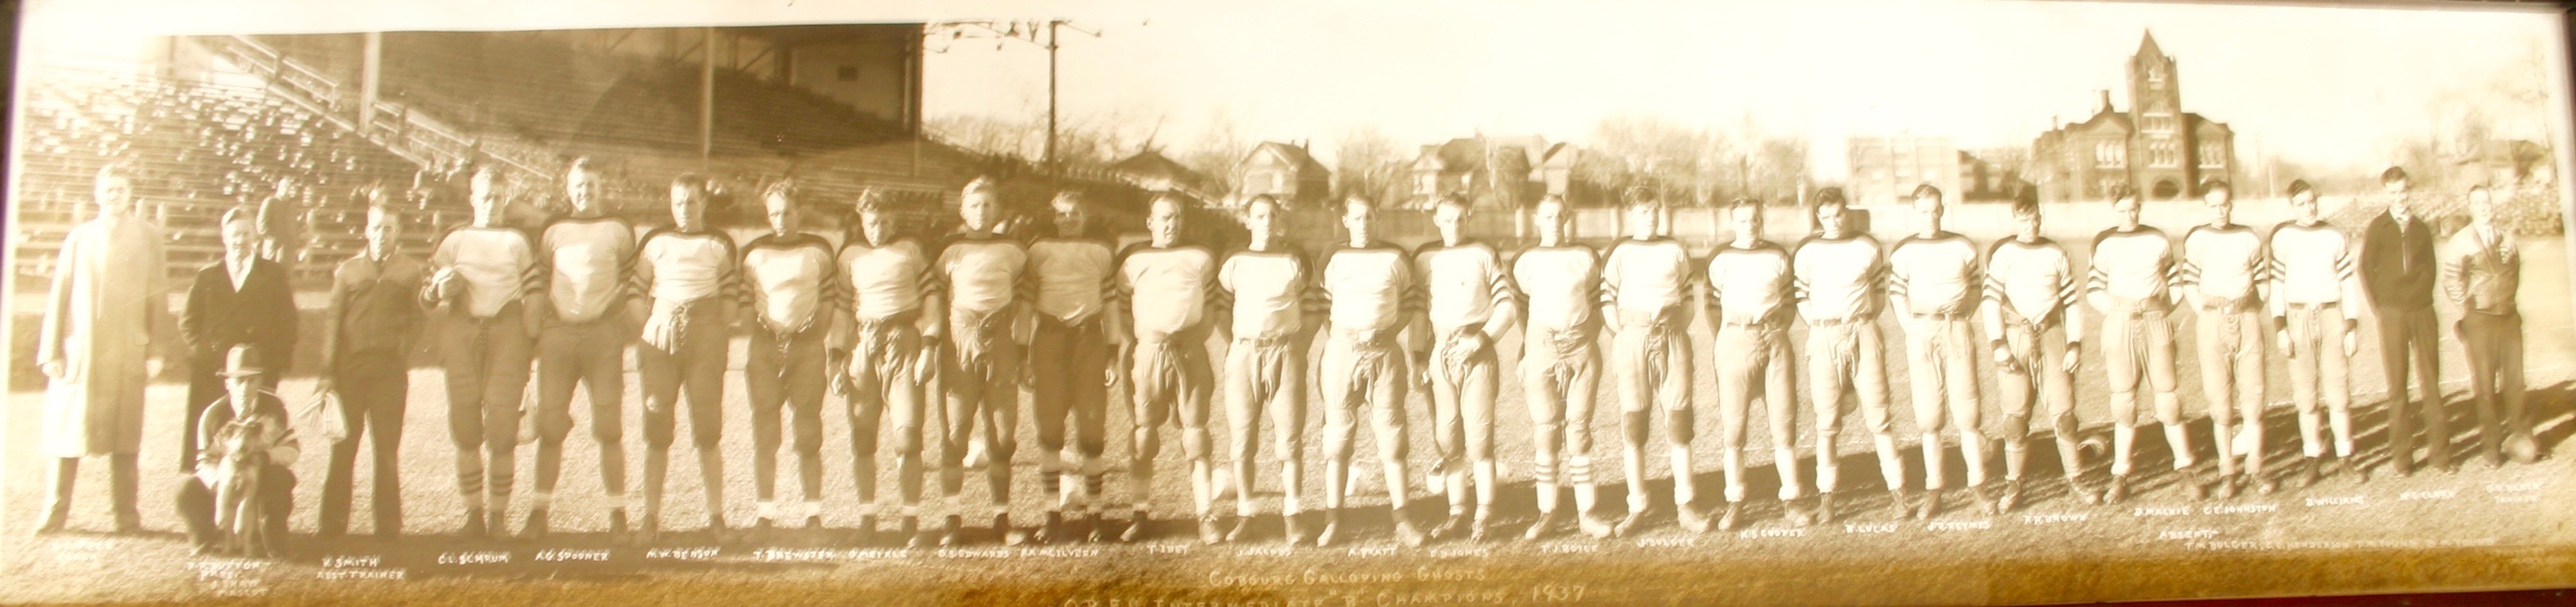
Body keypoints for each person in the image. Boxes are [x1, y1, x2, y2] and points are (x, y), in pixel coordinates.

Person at [35, 163, 170, 535]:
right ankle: (55, 513)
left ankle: (127, 517)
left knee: (126, 437)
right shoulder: (79, 238)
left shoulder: (148, 237)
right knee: (68, 433)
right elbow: (60, 293)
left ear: (131, 194)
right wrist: (51, 351)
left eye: (121, 189)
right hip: (83, 352)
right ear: (97, 194)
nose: (114, 195)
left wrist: (157, 351)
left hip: (128, 351)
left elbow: (159, 297)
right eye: (108, 189)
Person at [423, 166, 544, 538]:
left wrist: (530, 343)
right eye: (485, 197)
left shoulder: (516, 240)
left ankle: (497, 517)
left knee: (503, 430)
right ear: (472, 198)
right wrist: (439, 289)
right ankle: (473, 515)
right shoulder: (455, 239)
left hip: (507, 334)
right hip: (462, 332)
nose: (492, 204)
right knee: (465, 428)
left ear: (506, 200)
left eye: (498, 197)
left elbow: (535, 294)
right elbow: (425, 295)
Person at [528, 157, 639, 539]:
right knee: (551, 427)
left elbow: (633, 281)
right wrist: (543, 327)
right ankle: (538, 514)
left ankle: (618, 516)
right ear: (568, 189)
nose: (585, 192)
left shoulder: (618, 228)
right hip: (560, 336)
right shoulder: (553, 229)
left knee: (609, 429)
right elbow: (539, 282)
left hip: (602, 337)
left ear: (600, 188)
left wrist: (617, 319)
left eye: (591, 185)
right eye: (578, 186)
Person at [1313, 196, 1430, 547]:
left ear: (1378, 218)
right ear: (1346, 221)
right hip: (1343, 353)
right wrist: (1345, 337)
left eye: (1369, 217)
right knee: (1337, 441)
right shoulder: (1333, 256)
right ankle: (1333, 521)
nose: (1363, 224)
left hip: (1384, 353)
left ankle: (1403, 520)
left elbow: (1411, 304)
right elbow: (1322, 304)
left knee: (1393, 440)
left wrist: (1385, 333)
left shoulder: (1395, 256)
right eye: (1357, 218)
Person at [631, 174, 743, 542]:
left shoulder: (718, 243)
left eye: (691, 202)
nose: (684, 209)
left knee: (708, 430)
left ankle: (716, 518)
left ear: (703, 203)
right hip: (660, 335)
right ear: (671, 203)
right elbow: (636, 290)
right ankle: (650, 518)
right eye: (678, 202)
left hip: (704, 334)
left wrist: (713, 330)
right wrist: (649, 327)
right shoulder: (656, 242)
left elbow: (730, 296)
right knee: (657, 427)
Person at [1114, 195, 1230, 544]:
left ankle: (1206, 515)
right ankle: (1139, 514)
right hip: (1149, 351)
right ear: (1150, 221)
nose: (1172, 223)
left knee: (1196, 435)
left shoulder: (1201, 257)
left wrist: (1191, 337)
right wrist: (1145, 340)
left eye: (1177, 217)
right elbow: (1121, 308)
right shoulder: (1132, 259)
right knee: (1143, 435)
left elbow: (1211, 308)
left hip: (1189, 350)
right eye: (1164, 217)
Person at [831, 190, 941, 547]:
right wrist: (835, 359)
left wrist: (929, 347)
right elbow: (842, 310)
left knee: (908, 439)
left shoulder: (910, 249)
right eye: (872, 222)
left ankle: (910, 520)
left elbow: (932, 299)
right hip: (864, 345)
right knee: (862, 438)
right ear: (861, 222)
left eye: (885, 222)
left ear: (894, 220)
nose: (878, 229)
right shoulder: (850, 255)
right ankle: (867, 519)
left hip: (903, 341)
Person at [1600, 188, 1713, 534]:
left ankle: (1686, 504)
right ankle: (1637, 506)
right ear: (1631, 215)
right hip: (1633, 338)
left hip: (1671, 337)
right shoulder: (1620, 251)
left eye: (1654, 211)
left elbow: (1688, 298)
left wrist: (1673, 329)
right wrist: (1624, 334)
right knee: (1634, 424)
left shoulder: (1675, 249)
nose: (1650, 217)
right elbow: (1607, 299)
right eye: (1642, 212)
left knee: (1679, 421)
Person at [313, 201, 428, 538]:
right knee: (343, 449)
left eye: (388, 228)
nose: (381, 234)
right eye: (376, 227)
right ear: (367, 230)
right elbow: (333, 322)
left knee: (387, 451)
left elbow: (418, 318)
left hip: (389, 372)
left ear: (398, 232)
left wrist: (400, 349)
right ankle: (332, 524)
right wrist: (327, 371)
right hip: (350, 370)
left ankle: (388, 524)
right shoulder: (348, 270)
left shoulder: (410, 270)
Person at [933, 177, 1035, 546]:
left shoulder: (1013, 251)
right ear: (963, 210)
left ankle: (1001, 519)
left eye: (988, 205)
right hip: (959, 347)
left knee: (1003, 438)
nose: (981, 212)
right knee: (955, 435)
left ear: (998, 210)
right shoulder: (949, 250)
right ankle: (951, 520)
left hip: (1001, 345)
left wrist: (1022, 354)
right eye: (974, 205)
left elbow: (1025, 304)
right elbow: (935, 301)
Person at [1793, 188, 1905, 521]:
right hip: (1824, 335)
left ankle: (1899, 493)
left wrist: (1859, 321)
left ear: (1847, 212)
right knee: (1827, 422)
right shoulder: (1807, 251)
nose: (1834, 221)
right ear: (1818, 218)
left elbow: (1879, 294)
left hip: (1863, 331)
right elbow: (1801, 297)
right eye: (1826, 216)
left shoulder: (1867, 246)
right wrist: (1821, 324)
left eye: (1838, 214)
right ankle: (1827, 498)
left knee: (1880, 417)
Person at [1412, 193, 1520, 542]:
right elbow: (1419, 313)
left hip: (1476, 351)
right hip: (1442, 351)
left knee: (1480, 438)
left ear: (1469, 218)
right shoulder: (1425, 257)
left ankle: (1485, 513)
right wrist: (1418, 357)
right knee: (1448, 437)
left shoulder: (1484, 253)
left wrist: (1481, 340)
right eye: (1447, 219)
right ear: (1436, 220)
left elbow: (1507, 308)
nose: (1454, 225)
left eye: (1460, 218)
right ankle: (1457, 512)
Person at [1217, 195, 1324, 544]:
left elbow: (1313, 307)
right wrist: (1238, 345)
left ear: (1279, 221)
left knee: (1289, 440)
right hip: (1245, 353)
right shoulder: (1234, 261)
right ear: (1247, 220)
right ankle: (1246, 514)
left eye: (1272, 216)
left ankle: (1293, 514)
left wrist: (1299, 347)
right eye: (1259, 216)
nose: (1266, 222)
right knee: (1242, 439)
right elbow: (1220, 308)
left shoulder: (1294, 260)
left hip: (1285, 351)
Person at [1886, 184, 1993, 517]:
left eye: (1934, 210)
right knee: (1929, 416)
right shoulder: (1905, 250)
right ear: (1914, 213)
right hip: (1922, 330)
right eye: (1923, 211)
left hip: (1956, 328)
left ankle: (1978, 485)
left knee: (1968, 413)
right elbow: (1896, 293)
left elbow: (1975, 288)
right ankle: (1935, 488)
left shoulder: (1962, 246)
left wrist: (1960, 317)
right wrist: (1911, 327)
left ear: (1942, 210)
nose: (1930, 217)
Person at [1981, 190, 2092, 510]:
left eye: (2035, 219)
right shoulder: (2004, 254)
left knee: (2065, 417)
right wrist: (1998, 345)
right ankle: (2014, 485)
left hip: (2051, 336)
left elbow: (2072, 304)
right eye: (2024, 219)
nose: (2030, 225)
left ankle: (2076, 479)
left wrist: (2074, 344)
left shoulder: (2055, 253)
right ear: (2015, 220)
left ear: (2041, 218)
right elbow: (1990, 303)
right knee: (2015, 421)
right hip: (2016, 338)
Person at [739, 181, 840, 532]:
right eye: (774, 214)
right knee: (765, 434)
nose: (781, 220)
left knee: (808, 432)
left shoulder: (818, 249)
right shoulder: (754, 252)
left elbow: (828, 300)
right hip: (766, 348)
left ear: (800, 212)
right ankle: (765, 515)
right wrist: (761, 333)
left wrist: (813, 335)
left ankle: (813, 514)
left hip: (806, 348)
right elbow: (744, 303)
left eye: (787, 213)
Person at [1512, 195, 1614, 541]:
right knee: (1546, 430)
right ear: (1536, 219)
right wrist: (1530, 350)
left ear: (1567, 217)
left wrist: (1581, 340)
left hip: (1581, 348)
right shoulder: (1524, 260)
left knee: (1579, 429)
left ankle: (1588, 513)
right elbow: (1521, 310)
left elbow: (1598, 306)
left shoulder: (1586, 256)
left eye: (1559, 216)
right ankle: (1548, 513)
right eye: (1547, 216)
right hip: (1541, 348)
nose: (1554, 222)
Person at [2086, 186, 2194, 502]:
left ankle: (2186, 468)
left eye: (2133, 208)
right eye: (2122, 210)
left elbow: (2175, 283)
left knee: (2168, 398)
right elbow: (2094, 290)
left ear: (2140, 207)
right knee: (2123, 402)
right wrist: (2118, 313)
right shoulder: (2104, 241)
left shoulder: (2157, 239)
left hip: (2154, 320)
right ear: (2114, 210)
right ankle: (2121, 474)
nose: (2129, 215)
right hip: (2120, 321)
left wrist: (2160, 311)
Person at [1701, 198, 1802, 529]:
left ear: (1762, 220)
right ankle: (1735, 501)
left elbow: (1789, 301)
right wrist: (1730, 338)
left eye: (1755, 219)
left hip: (1773, 339)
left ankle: (1792, 499)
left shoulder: (1778, 255)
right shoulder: (1720, 258)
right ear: (1733, 223)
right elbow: (1711, 305)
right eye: (1743, 220)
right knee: (1734, 428)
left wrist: (1776, 329)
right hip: (1736, 339)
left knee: (1784, 424)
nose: (1750, 225)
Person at [1024, 190, 1120, 543]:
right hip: (1049, 341)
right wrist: (1022, 356)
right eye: (1062, 213)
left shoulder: (1100, 252)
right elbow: (1025, 306)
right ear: (1054, 217)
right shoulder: (1038, 250)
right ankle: (1052, 515)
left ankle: (1095, 514)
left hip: (1088, 341)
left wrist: (1112, 354)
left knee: (1092, 432)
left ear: (1086, 216)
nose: (1068, 219)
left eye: (1075, 212)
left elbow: (1111, 307)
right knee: (1050, 431)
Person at [182, 207, 300, 474]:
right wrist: (209, 351)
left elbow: (288, 325)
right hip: (213, 374)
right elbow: (189, 321)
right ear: (224, 238)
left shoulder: (273, 274)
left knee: (253, 446)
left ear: (255, 236)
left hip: (256, 376)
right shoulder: (207, 276)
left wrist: (270, 368)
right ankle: (205, 490)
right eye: (234, 235)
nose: (240, 240)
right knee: (209, 441)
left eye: (246, 234)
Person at [2179, 180, 2272, 496]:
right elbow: (2189, 284)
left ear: (2231, 204)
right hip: (2213, 323)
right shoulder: (2198, 238)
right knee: (2220, 403)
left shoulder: (2248, 237)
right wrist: (2207, 312)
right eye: (2214, 205)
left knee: (2253, 400)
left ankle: (2256, 468)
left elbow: (2263, 283)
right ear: (2206, 206)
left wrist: (2248, 310)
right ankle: (2228, 471)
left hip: (2246, 320)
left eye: (2224, 204)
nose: (2220, 211)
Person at [2268, 180, 2364, 487]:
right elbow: (2276, 287)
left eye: (2312, 201)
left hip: (2330, 315)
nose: (2309, 208)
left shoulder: (2334, 235)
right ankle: (2312, 460)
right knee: (2306, 398)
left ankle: (2346, 459)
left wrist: (2351, 326)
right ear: (2292, 207)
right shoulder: (2283, 237)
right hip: (2298, 317)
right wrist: (2281, 328)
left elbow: (2348, 284)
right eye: (2301, 204)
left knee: (2339, 396)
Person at [2444, 186, 2541, 467]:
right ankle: (2491, 449)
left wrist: (2506, 301)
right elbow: (2451, 280)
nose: (2484, 207)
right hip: (2480, 321)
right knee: (2485, 386)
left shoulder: (2507, 238)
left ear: (2492, 204)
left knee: (2515, 383)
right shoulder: (2460, 242)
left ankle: (2520, 438)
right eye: (2477, 202)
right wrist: (2468, 307)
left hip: (2508, 319)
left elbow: (2514, 274)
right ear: (2470, 207)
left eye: (2486, 201)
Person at [2360, 167, 2448, 476]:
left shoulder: (2421, 228)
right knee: (2397, 388)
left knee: (2431, 384)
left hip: (2422, 312)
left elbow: (2431, 268)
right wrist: (2380, 307)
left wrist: (2421, 296)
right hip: (2392, 315)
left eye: (2403, 191)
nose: (2399, 198)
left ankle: (2441, 455)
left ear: (2410, 191)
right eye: (2393, 193)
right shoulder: (2377, 227)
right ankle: (2403, 458)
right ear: (2386, 194)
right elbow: (2365, 268)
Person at [176, 345, 299, 557]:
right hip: (224, 481)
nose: (245, 388)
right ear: (227, 383)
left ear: (260, 380)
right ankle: (206, 538)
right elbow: (203, 462)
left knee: (281, 478)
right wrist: (221, 483)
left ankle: (273, 541)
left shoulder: (274, 408)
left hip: (260, 478)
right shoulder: (213, 415)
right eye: (239, 381)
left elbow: (292, 449)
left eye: (251, 380)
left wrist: (265, 457)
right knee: (185, 488)